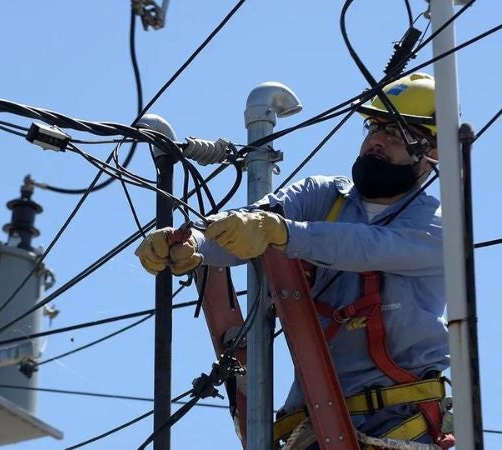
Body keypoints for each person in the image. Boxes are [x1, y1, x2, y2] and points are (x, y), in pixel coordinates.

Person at [135, 73, 453, 448]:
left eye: (396, 133)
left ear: (432, 152)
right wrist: (191, 242)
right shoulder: (324, 196)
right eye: (374, 127)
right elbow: (247, 226)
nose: (377, 141)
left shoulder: (438, 227)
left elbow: (365, 247)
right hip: (316, 429)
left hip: (403, 427)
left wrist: (283, 233)